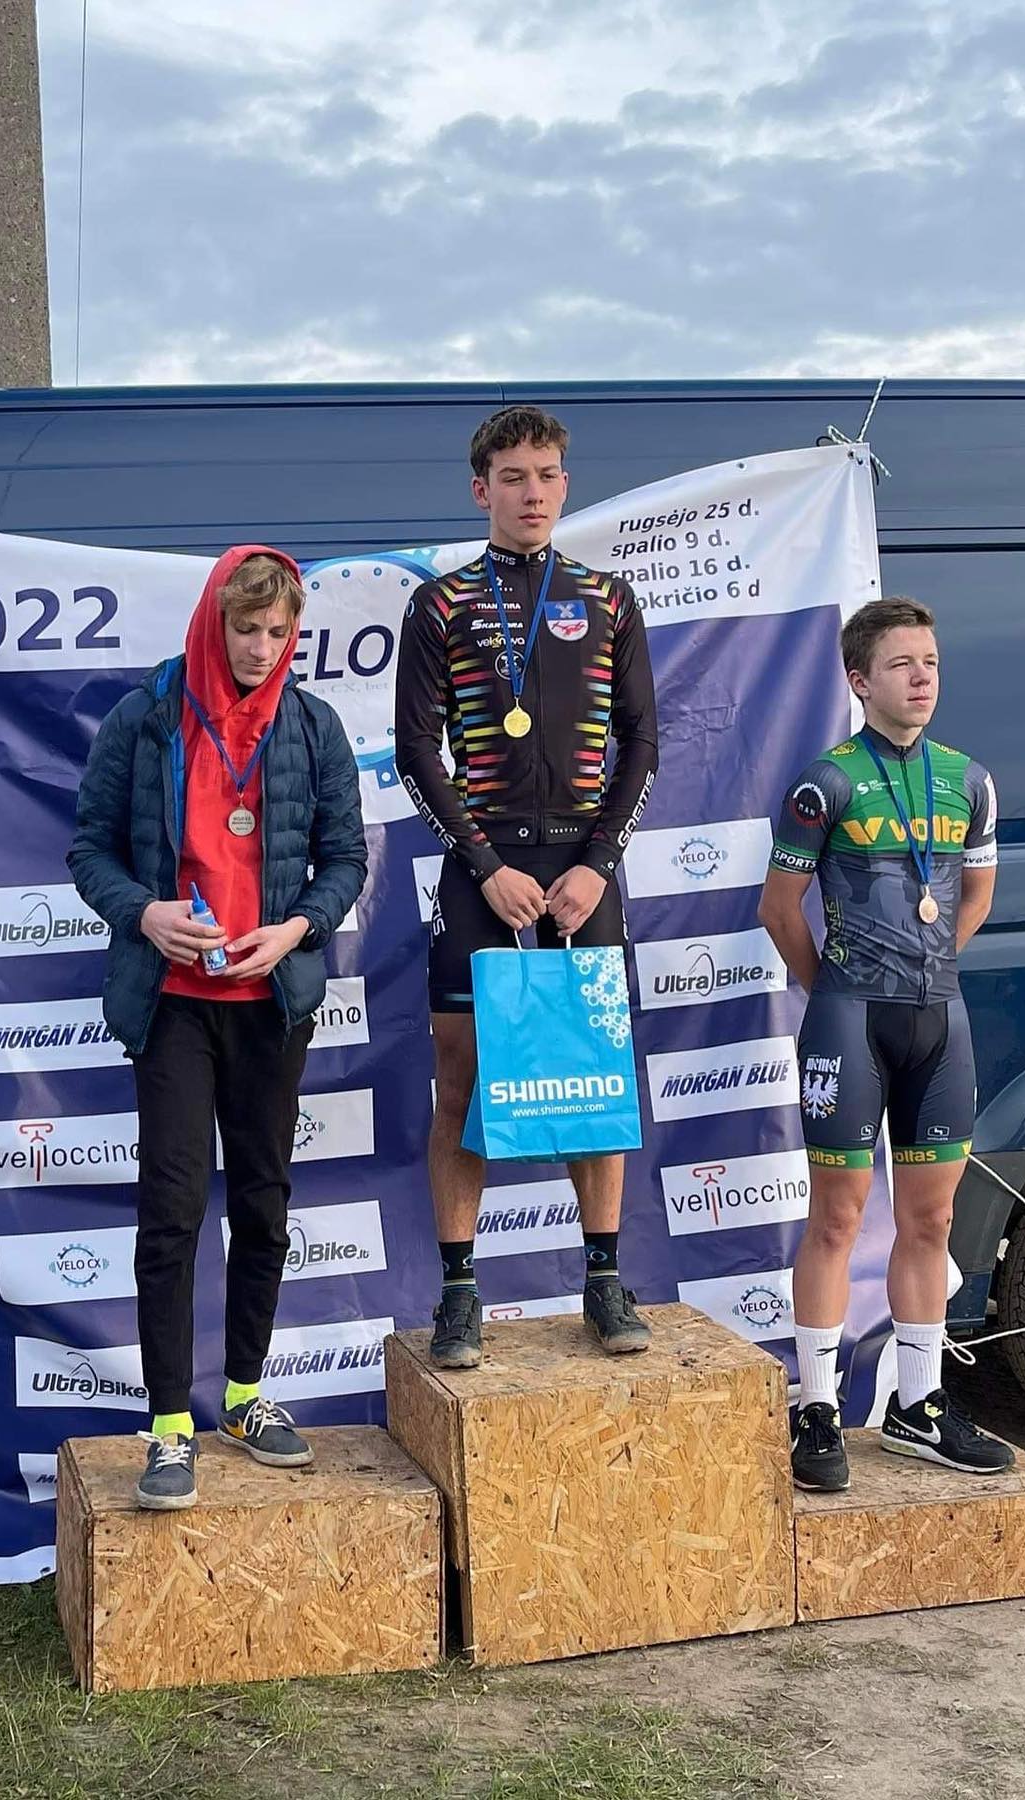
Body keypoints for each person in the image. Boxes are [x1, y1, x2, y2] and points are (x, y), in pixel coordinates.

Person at [68, 546, 366, 1509]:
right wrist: (145, 914)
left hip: (270, 1006)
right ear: (214, 621)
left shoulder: (312, 726)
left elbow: (345, 860)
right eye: (246, 628)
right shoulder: (147, 715)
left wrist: (296, 930)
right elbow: (89, 848)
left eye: (279, 632)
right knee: (172, 1209)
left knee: (266, 1206)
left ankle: (243, 1396)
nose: (262, 648)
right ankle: (168, 1425)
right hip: (173, 1004)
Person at [394, 405, 658, 1369]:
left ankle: (604, 1277)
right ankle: (460, 1292)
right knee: (460, 1080)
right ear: (482, 490)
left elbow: (643, 742)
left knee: (595, 1072)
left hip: (584, 869)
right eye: (513, 477)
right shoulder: (442, 605)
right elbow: (416, 749)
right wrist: (485, 865)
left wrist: (598, 863)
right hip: (485, 869)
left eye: (546, 475)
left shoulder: (608, 598)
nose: (532, 492)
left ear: (565, 484)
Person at [759, 595, 1012, 1491]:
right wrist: (831, 989)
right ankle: (817, 1409)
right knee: (836, 1220)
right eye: (903, 664)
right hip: (850, 1019)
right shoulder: (823, 783)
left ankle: (919, 1406)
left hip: (940, 1018)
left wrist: (928, 967)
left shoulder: (969, 780)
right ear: (860, 680)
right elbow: (779, 910)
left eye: (931, 663)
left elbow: (974, 897)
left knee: (931, 1221)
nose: (922, 678)